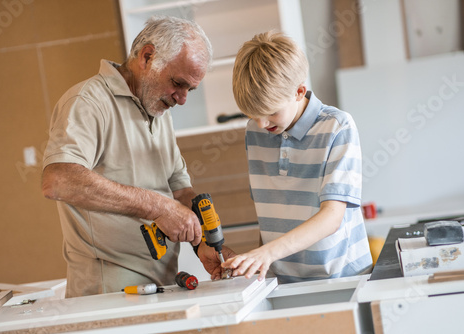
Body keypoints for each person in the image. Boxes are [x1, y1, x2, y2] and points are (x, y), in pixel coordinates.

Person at [42, 16, 233, 298]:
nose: (182, 99)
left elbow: (180, 190)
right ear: (147, 56)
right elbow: (58, 180)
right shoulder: (88, 102)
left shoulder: (157, 108)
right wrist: (157, 208)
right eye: (178, 83)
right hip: (108, 293)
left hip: (161, 284)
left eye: (189, 90)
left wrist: (203, 241)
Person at [223, 31, 373, 283]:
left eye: (270, 112)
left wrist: (265, 254)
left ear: (299, 91)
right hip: (282, 281)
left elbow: (331, 218)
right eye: (252, 113)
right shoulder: (255, 131)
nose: (261, 123)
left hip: (342, 278)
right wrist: (259, 265)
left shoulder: (337, 127)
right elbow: (269, 211)